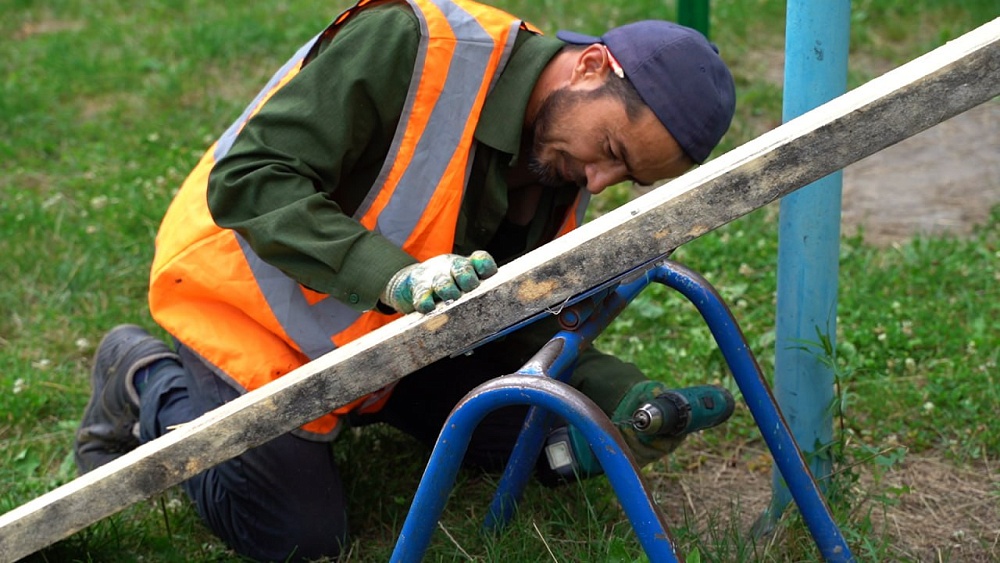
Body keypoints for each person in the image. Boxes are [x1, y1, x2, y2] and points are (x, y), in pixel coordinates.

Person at [74, 0, 736, 559]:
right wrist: (396, 279)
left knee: (557, 439)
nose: (598, 181)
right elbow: (250, 181)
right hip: (251, 311)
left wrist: (615, 393)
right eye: (612, 152)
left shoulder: (558, 156)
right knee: (297, 531)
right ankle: (145, 376)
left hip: (395, 342)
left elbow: (513, 319)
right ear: (591, 65)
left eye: (625, 177)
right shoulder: (415, 46)